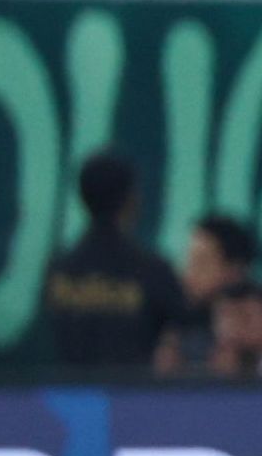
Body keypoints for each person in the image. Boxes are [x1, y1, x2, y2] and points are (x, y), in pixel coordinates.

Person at [39, 153, 184, 369]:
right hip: (135, 396)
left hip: (67, 397)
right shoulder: (152, 271)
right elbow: (181, 334)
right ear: (131, 198)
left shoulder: (58, 271)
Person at [161, 215, 262, 374]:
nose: (188, 274)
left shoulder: (261, 331)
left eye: (201, 263)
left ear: (234, 270)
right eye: (189, 261)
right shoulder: (174, 324)